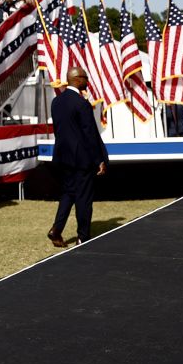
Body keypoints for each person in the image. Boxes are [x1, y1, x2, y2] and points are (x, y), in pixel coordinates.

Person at [49, 67, 109, 247]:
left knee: (69, 193)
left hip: (63, 156)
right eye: (85, 78)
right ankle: (83, 236)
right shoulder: (81, 103)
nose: (87, 80)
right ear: (77, 80)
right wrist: (99, 159)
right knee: (83, 197)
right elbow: (89, 133)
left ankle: (56, 230)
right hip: (82, 159)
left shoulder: (56, 102)